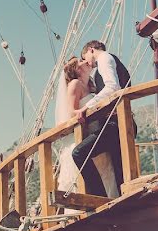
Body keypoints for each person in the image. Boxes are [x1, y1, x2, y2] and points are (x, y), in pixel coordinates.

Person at [71, 40, 131, 197]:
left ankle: (99, 197)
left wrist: (86, 107)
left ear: (91, 50)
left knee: (79, 153)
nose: (88, 63)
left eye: (86, 58)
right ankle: (123, 203)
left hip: (115, 125)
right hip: (122, 122)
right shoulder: (112, 62)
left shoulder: (104, 58)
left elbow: (112, 87)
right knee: (119, 172)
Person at [55, 57, 118, 202]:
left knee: (104, 168)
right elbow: (71, 112)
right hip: (83, 134)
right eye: (81, 61)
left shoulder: (91, 84)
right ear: (77, 69)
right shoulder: (75, 84)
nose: (86, 61)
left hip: (96, 131)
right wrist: (80, 113)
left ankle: (108, 199)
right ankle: (98, 200)